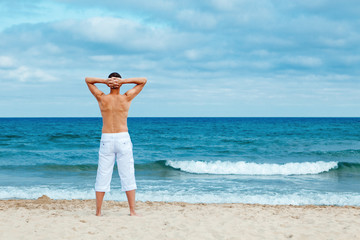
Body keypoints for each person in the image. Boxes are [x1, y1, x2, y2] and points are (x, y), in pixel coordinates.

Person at [85, 72, 147, 216]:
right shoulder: (126, 97)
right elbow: (143, 81)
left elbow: (88, 80)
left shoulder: (102, 98)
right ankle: (132, 211)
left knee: (103, 174)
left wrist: (104, 81)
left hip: (107, 138)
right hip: (122, 137)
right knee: (127, 174)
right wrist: (123, 81)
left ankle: (98, 212)